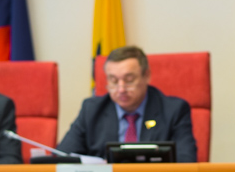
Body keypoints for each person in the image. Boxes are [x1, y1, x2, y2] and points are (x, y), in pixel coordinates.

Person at [57, 46, 197, 162]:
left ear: (146, 76)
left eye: (129, 80)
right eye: (113, 80)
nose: (121, 89)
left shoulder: (173, 111)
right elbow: (62, 157)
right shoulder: (92, 110)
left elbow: (187, 162)